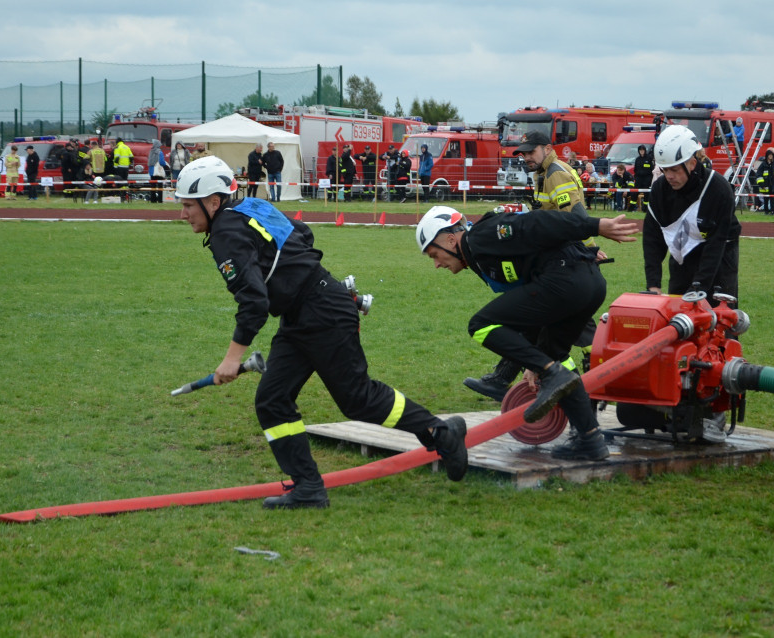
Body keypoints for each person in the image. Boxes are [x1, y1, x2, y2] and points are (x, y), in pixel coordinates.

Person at [174, 156, 468, 509]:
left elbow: (254, 302)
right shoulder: (252, 206)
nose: (183, 213)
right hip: (306, 311)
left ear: (213, 202)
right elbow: (303, 235)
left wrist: (231, 359)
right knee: (273, 399)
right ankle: (308, 487)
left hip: (321, 312)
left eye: (189, 205)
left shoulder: (225, 232)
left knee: (357, 398)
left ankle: (439, 432)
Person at [416, 205, 638, 460]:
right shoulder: (477, 255)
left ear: (451, 239)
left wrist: (596, 226)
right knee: (557, 357)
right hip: (587, 284)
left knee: (479, 325)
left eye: (434, 253)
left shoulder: (481, 236)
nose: (435, 264)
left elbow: (539, 221)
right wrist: (534, 360)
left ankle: (552, 373)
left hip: (567, 280)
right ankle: (589, 438)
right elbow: (531, 310)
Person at [463, 130, 601, 402]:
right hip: (567, 256)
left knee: (560, 323)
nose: (525, 157)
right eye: (523, 153)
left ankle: (584, 379)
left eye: (530, 152)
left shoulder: (555, 174)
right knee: (567, 323)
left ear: (548, 148)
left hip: (569, 258)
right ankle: (589, 375)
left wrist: (583, 249)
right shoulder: (544, 174)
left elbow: (574, 216)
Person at [642, 125, 741, 301]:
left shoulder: (718, 190)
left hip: (719, 258)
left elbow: (716, 244)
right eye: (665, 170)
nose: (669, 176)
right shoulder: (659, 190)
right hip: (683, 256)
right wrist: (653, 284)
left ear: (692, 164)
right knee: (676, 314)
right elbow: (652, 238)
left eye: (674, 170)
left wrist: (699, 288)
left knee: (718, 318)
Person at [755, 149, 774, 216]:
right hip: (765, 184)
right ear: (767, 156)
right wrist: (761, 184)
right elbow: (758, 174)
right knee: (766, 198)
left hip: (772, 184)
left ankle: (773, 211)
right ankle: (766, 211)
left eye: (772, 155)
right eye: (769, 155)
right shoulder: (763, 164)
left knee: (772, 198)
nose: (771, 157)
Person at [632, 144, 654, 212]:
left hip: (647, 179)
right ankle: (632, 207)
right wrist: (636, 176)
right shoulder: (637, 159)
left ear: (645, 150)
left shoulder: (649, 158)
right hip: (639, 178)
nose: (641, 151)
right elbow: (635, 169)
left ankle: (645, 208)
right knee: (635, 192)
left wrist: (649, 178)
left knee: (646, 193)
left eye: (643, 150)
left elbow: (651, 169)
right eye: (640, 150)